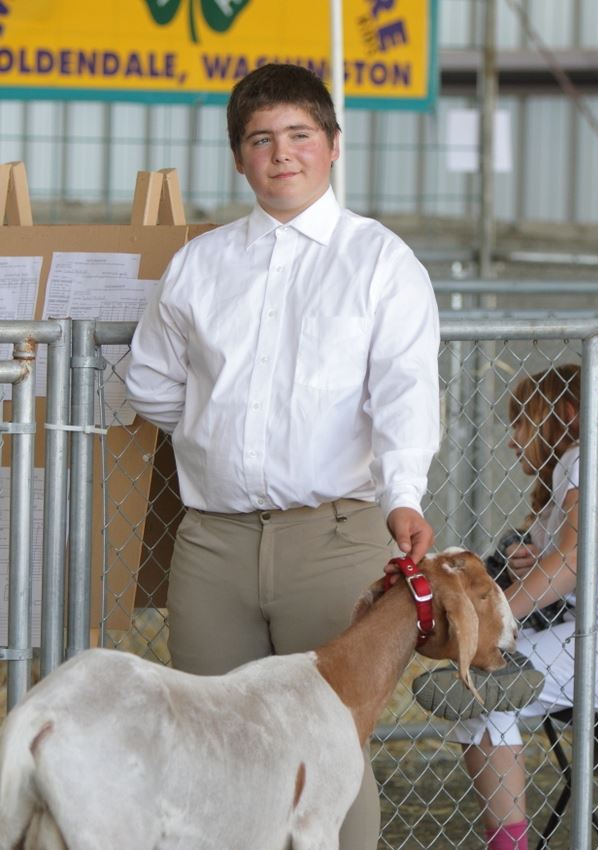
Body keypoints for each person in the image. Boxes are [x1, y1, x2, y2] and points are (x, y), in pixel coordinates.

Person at [125, 62, 440, 850]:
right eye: (260, 140)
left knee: (333, 754)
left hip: (334, 540)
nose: (281, 153)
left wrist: (402, 494)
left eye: (299, 135)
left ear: (333, 145)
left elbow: (404, 394)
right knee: (210, 748)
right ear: (239, 159)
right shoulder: (201, 264)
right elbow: (153, 383)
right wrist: (216, 437)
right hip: (214, 546)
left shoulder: (378, 261)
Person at [421, 363, 598, 850]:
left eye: (520, 420)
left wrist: (494, 618)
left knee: (485, 690)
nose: (511, 440)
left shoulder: (588, 455)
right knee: (484, 696)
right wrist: (535, 559)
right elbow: (570, 557)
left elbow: (571, 561)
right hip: (590, 630)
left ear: (566, 415)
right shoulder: (574, 470)